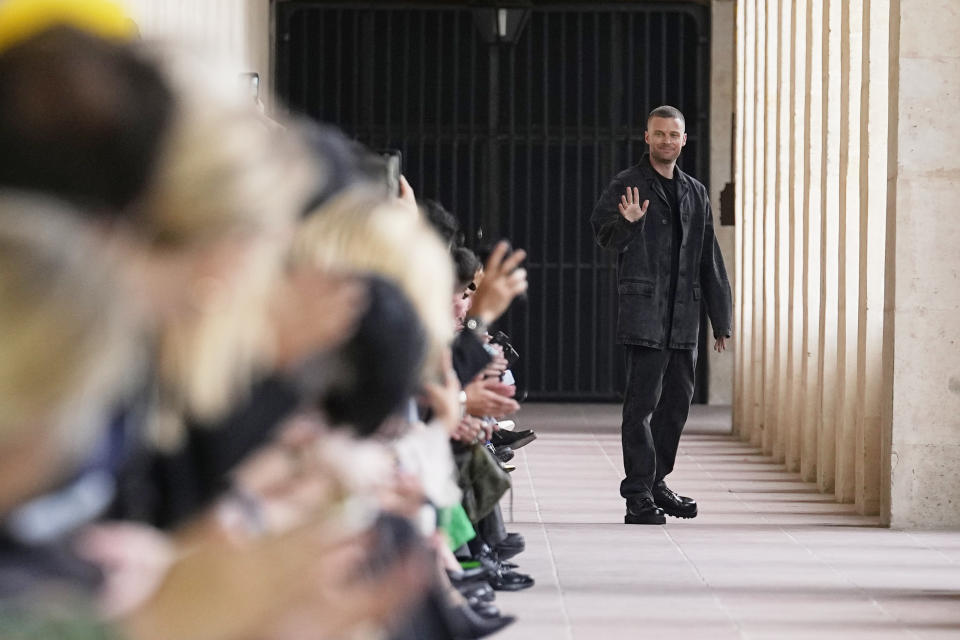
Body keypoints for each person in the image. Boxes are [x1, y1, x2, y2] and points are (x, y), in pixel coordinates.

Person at [590, 105, 732, 525]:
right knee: (641, 408)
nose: (667, 140)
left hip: (684, 317)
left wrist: (719, 318)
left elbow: (710, 257)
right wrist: (629, 223)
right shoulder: (628, 184)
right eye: (659, 134)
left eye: (674, 134)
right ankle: (637, 494)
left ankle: (655, 483)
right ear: (647, 138)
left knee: (676, 407)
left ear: (684, 140)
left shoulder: (696, 191)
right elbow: (604, 236)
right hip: (646, 314)